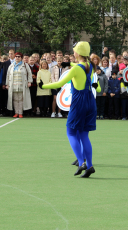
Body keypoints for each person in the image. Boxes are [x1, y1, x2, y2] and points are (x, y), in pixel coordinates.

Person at [39, 42, 98, 178]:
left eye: (74, 52)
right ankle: (89, 165)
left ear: (78, 53)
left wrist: (44, 86)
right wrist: (69, 64)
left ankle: (82, 162)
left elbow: (60, 83)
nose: (73, 54)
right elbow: (79, 66)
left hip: (79, 102)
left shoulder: (76, 69)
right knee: (84, 135)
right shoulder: (91, 66)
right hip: (91, 101)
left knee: (70, 132)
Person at [6, 53, 32, 118]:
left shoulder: (25, 65)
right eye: (16, 56)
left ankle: (20, 113)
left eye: (19, 56)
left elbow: (29, 73)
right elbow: (8, 75)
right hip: (13, 85)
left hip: (22, 85)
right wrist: (7, 84)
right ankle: (16, 112)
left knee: (21, 99)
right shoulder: (11, 66)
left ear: (21, 58)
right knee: (15, 99)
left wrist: (29, 82)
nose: (17, 58)